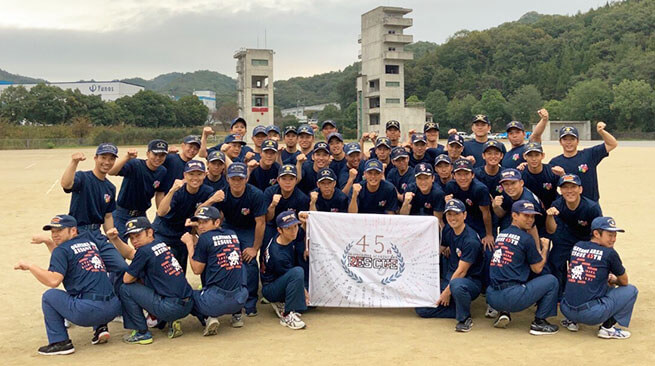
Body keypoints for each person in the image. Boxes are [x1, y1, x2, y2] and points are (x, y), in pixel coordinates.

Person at [15, 215, 121, 355]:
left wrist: (30, 266)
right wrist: (48, 242)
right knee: (93, 279)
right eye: (52, 231)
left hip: (88, 312)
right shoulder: (89, 243)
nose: (55, 235)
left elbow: (53, 281)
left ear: (73, 231)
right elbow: (65, 261)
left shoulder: (62, 250)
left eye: (59, 231)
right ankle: (101, 328)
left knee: (50, 296)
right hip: (112, 308)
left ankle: (60, 342)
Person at [107, 217, 193, 344]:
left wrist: (132, 271)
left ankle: (142, 332)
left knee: (125, 289)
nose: (134, 241)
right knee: (151, 279)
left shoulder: (144, 251)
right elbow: (131, 253)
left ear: (150, 232)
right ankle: (169, 321)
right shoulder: (159, 243)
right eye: (131, 238)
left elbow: (127, 279)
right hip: (188, 304)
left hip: (170, 308)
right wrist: (115, 239)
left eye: (138, 235)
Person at [59, 143, 128, 300]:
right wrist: (74, 162)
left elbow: (108, 216)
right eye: (103, 157)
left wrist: (111, 235)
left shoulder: (110, 188)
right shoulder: (83, 177)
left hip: (97, 234)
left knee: (121, 266)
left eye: (111, 159)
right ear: (96, 158)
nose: (107, 162)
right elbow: (66, 184)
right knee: (77, 269)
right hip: (78, 232)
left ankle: (109, 298)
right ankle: (70, 303)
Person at [486, 200, 559, 335]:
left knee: (513, 269)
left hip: (492, 296)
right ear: (514, 216)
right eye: (526, 216)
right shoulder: (526, 238)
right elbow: (537, 268)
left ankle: (503, 312)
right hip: (512, 296)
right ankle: (539, 322)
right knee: (551, 280)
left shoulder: (502, 234)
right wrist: (545, 249)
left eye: (532, 216)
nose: (530, 220)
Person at [560, 217, 638, 339]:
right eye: (610, 235)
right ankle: (607, 328)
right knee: (631, 290)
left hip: (566, 309)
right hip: (591, 314)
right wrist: (613, 280)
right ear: (596, 233)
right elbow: (624, 281)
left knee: (583, 281)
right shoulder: (609, 253)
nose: (613, 239)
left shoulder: (577, 245)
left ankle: (572, 322)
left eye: (615, 235)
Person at [206, 162, 267, 316]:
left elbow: (261, 222)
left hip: (248, 228)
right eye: (233, 179)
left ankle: (250, 301)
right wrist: (212, 200)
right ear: (227, 179)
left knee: (249, 260)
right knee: (226, 259)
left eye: (240, 178)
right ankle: (226, 295)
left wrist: (255, 248)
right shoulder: (222, 194)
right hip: (229, 227)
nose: (237, 182)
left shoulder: (256, 194)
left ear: (246, 179)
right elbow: (213, 218)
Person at [415, 199, 484, 332]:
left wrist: (446, 292)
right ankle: (456, 308)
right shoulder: (448, 229)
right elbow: (440, 249)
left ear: (464, 215)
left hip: (469, 282)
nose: (452, 218)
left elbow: (462, 272)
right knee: (421, 309)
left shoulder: (470, 241)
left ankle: (464, 318)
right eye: (449, 215)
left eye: (456, 214)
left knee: (456, 285)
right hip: (450, 277)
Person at [181, 206, 249, 335]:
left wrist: (189, 244)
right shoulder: (232, 234)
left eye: (205, 222)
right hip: (240, 299)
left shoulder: (205, 239)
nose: (200, 226)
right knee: (233, 264)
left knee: (188, 296)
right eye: (199, 223)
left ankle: (208, 317)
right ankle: (237, 316)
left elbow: (196, 270)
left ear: (217, 222)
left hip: (215, 301)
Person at [544, 174, 603, 313]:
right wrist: (549, 216)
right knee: (555, 262)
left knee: (581, 269)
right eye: (565, 188)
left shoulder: (591, 207)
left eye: (573, 187)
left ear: (580, 189)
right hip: (564, 237)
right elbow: (551, 230)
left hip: (586, 239)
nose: (569, 191)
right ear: (560, 191)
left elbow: (599, 233)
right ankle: (557, 297)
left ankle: (583, 297)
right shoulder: (557, 205)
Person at [153, 160, 214, 273]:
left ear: (205, 175)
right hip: (163, 229)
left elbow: (202, 216)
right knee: (157, 261)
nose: (195, 178)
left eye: (199, 174)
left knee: (180, 267)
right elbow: (161, 212)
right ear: (184, 175)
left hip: (183, 232)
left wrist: (194, 233)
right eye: (191, 174)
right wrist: (172, 190)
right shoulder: (178, 191)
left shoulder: (207, 192)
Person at [109, 139, 168, 240]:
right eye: (155, 154)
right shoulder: (135, 165)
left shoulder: (162, 171)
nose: (158, 158)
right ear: (148, 154)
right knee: (119, 244)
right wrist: (127, 157)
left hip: (141, 214)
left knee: (147, 242)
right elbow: (111, 171)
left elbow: (160, 193)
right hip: (122, 213)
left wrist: (160, 214)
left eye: (162, 155)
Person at [261, 211, 309, 330]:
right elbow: (292, 277)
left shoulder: (287, 236)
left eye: (295, 226)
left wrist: (304, 224)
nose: (294, 231)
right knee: (297, 272)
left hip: (281, 279)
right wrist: (304, 292)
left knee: (312, 302)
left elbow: (300, 234)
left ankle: (284, 303)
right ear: (280, 230)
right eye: (288, 228)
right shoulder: (278, 254)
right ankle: (287, 314)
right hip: (271, 288)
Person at [549, 122, 618, 202]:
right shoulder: (555, 162)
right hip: (569, 206)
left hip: (591, 204)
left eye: (572, 139)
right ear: (560, 142)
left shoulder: (589, 154)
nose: (569, 142)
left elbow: (612, 144)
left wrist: (601, 132)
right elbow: (549, 187)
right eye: (565, 139)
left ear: (578, 141)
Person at [444, 159, 494, 249]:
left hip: (479, 222)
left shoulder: (480, 189)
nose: (463, 178)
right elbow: (449, 213)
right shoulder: (450, 186)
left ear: (473, 175)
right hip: (460, 221)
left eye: (466, 174)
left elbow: (486, 213)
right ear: (454, 176)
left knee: (487, 249)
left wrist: (489, 235)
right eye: (459, 174)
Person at [263, 164, 310, 254]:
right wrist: (272, 205)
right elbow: (267, 218)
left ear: (296, 180)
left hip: (292, 228)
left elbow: (304, 224)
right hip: (273, 226)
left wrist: (306, 247)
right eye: (284, 179)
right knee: (266, 243)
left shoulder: (302, 198)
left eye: (291, 179)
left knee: (300, 248)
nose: (287, 182)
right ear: (278, 180)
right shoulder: (270, 192)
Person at [492, 168, 545, 233]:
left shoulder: (528, 201)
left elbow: (532, 228)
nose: (510, 187)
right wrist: (495, 206)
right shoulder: (507, 192)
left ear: (521, 183)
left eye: (513, 183)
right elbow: (501, 214)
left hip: (535, 228)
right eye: (506, 184)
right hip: (514, 220)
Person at [518, 142, 564, 209]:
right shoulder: (520, 174)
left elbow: (567, 188)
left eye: (537, 155)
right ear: (524, 156)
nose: (534, 159)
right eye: (530, 155)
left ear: (542, 156)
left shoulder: (552, 171)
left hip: (551, 210)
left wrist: (563, 175)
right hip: (528, 211)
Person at [160, 135, 201, 200]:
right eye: (190, 147)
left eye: (196, 149)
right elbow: (160, 190)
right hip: (168, 199)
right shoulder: (170, 158)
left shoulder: (195, 166)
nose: (192, 150)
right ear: (183, 146)